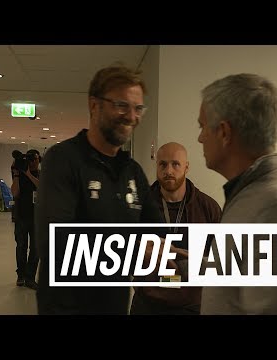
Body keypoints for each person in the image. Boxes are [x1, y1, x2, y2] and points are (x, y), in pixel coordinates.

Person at [35, 65, 182, 315]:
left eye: (138, 109)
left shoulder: (132, 171)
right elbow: (55, 244)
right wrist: (133, 247)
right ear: (94, 105)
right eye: (122, 105)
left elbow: (157, 234)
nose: (131, 116)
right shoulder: (63, 160)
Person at [197, 73, 277, 315]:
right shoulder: (254, 197)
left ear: (224, 133)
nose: (200, 137)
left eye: (202, 126)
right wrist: (182, 261)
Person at [130, 142, 222, 315]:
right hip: (148, 304)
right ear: (156, 166)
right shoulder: (139, 206)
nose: (169, 171)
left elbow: (222, 261)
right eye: (163, 164)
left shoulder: (208, 208)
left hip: (192, 306)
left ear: (186, 167)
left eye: (175, 164)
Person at [11, 149, 41, 290]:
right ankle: (21, 276)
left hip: (37, 218)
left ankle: (30, 277)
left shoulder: (42, 174)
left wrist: (28, 174)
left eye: (35, 159)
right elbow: (15, 192)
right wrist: (17, 175)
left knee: (35, 249)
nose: (33, 162)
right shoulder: (19, 174)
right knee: (21, 247)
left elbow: (42, 188)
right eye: (31, 159)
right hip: (21, 216)